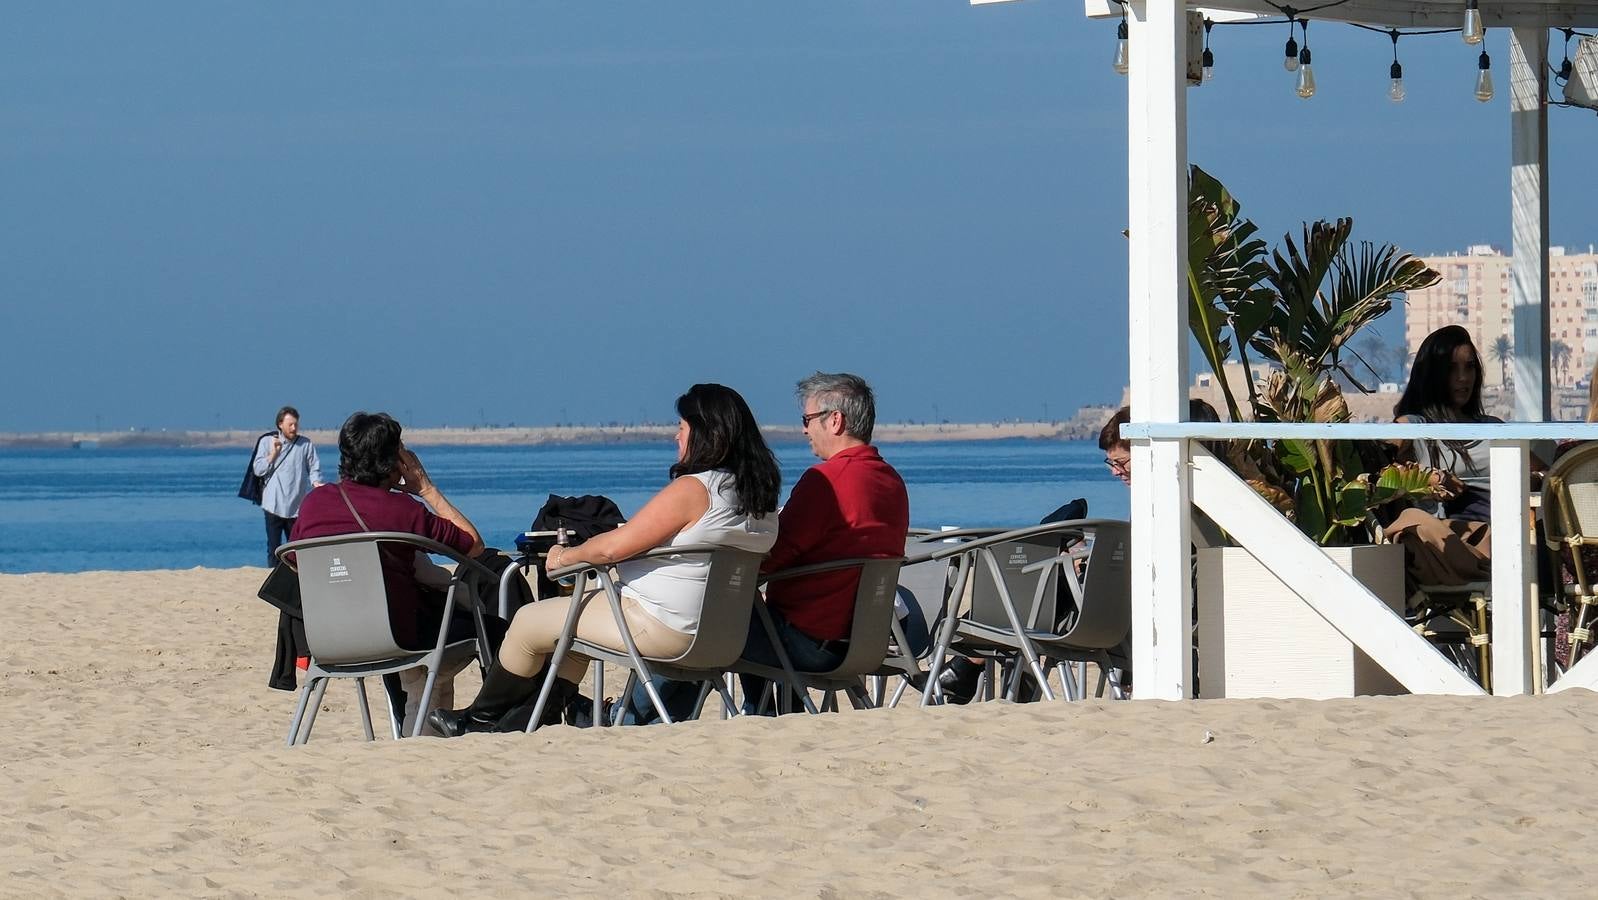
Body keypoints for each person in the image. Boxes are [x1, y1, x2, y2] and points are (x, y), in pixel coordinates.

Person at [428, 384, 781, 736]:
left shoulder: (694, 490)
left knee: (528, 623)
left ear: (705, 434)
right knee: (571, 638)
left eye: (682, 428)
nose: (676, 437)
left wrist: (565, 556)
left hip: (661, 628)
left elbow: (612, 549)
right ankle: (534, 718)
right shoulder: (759, 499)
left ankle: (478, 720)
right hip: (723, 637)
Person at [289, 411, 507, 733]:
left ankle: (422, 725)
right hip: (397, 637)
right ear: (394, 460)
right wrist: (427, 488)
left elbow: (294, 560)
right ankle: (491, 723)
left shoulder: (313, 505)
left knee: (426, 633)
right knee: (495, 630)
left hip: (330, 640)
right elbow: (474, 545)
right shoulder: (402, 511)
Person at [735, 372, 909, 714]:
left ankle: (640, 714)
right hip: (863, 640)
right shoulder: (891, 481)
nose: (803, 429)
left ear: (835, 421)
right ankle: (769, 711)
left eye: (807, 419)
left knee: (705, 616)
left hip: (810, 643)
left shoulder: (827, 481)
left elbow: (771, 557)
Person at [1385, 325, 1509, 586]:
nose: (1463, 378)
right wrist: (1428, 482)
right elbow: (1377, 468)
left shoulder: (1492, 427)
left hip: (1505, 527)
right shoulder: (1412, 426)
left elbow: (1542, 474)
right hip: (1451, 535)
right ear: (1433, 374)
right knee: (1413, 523)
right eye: (1452, 368)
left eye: (1470, 367)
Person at [254, 406, 323, 567]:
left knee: (296, 548)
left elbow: (314, 467)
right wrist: (273, 454)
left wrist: (316, 482)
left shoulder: (305, 444)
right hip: (273, 504)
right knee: (274, 547)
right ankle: (272, 577)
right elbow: (258, 469)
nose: (294, 428)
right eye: (290, 424)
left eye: (295, 424)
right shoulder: (267, 442)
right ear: (280, 424)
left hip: (296, 507)